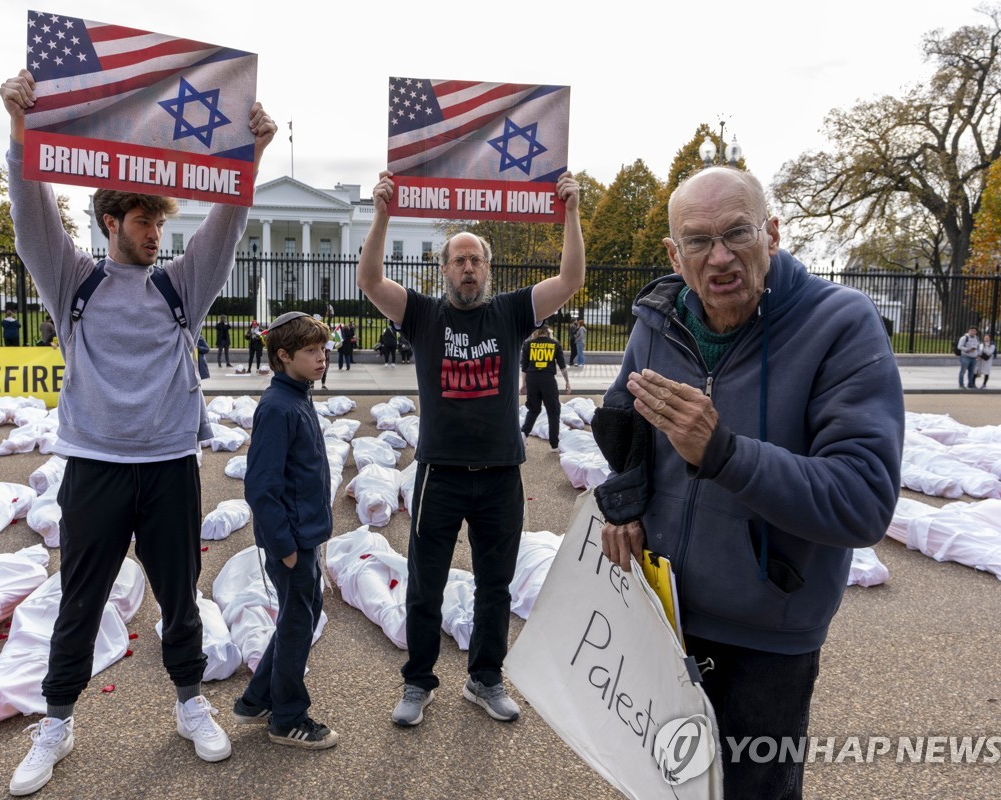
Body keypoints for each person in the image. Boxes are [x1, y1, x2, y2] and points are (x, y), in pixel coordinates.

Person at [0, 68, 275, 796]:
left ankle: (190, 703)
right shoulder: (72, 281)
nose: (157, 233)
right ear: (110, 223)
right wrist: (20, 130)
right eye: (144, 222)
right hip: (92, 465)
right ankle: (55, 722)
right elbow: (31, 216)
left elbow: (227, 225)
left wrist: (248, 155)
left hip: (168, 466)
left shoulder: (178, 285)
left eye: (161, 222)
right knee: (79, 601)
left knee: (181, 597)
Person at [593, 166, 903, 799]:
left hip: (769, 637)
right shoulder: (658, 321)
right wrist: (625, 502)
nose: (722, 256)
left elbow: (863, 501)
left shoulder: (839, 324)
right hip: (664, 615)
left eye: (738, 232)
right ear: (674, 256)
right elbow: (622, 423)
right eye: (699, 241)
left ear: (774, 234)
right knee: (665, 785)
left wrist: (723, 452)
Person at [357, 169, 584, 727]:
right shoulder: (425, 316)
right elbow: (369, 280)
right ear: (443, 270)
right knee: (425, 585)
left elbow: (571, 278)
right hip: (441, 473)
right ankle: (418, 682)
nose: (467, 268)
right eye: (457, 260)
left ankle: (484, 679)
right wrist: (382, 213)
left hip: (502, 473)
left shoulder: (509, 312)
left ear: (488, 267)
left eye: (475, 259)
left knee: (495, 586)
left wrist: (572, 212)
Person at [236, 311, 338, 750]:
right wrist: (285, 547)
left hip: (304, 537)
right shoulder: (278, 407)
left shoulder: (297, 395)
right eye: (311, 351)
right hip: (292, 542)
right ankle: (287, 718)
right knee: (297, 625)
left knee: (305, 615)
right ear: (283, 356)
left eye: (323, 349)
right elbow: (261, 486)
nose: (322, 357)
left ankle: (257, 698)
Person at [519, 324, 570, 451]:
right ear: (548, 331)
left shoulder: (528, 344)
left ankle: (523, 436)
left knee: (533, 409)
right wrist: (567, 382)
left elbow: (524, 367)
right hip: (548, 379)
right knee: (553, 411)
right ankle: (554, 445)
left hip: (532, 379)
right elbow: (562, 366)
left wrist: (522, 384)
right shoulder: (554, 344)